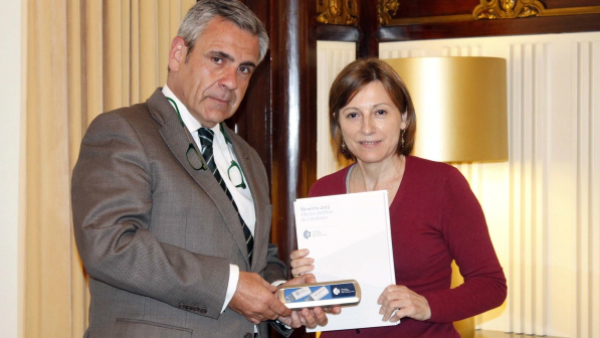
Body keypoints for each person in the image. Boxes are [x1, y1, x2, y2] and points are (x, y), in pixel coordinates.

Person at [71, 1, 335, 337]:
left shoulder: (248, 158)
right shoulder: (124, 131)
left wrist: (282, 297)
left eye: (244, 69)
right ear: (178, 54)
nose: (231, 81)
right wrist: (230, 286)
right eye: (218, 59)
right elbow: (109, 245)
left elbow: (256, 259)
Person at [290, 58, 507, 337]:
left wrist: (426, 305)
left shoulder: (442, 183)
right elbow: (326, 302)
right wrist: (306, 285)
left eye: (380, 112)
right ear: (338, 123)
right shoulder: (323, 191)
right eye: (353, 115)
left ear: (403, 118)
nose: (367, 128)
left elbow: (491, 286)